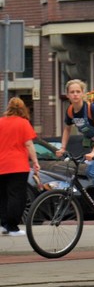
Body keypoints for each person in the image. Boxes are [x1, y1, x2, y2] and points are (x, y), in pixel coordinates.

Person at [56, 79, 94, 219]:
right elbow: (66, 130)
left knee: (92, 171)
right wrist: (62, 148)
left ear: (82, 93)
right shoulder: (71, 111)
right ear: (67, 95)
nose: (75, 94)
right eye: (72, 92)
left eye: (78, 91)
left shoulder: (91, 108)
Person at [0, 97, 40, 236]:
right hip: (17, 166)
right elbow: (29, 144)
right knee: (17, 196)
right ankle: (13, 227)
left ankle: (4, 225)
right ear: (23, 108)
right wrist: (35, 161)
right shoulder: (23, 123)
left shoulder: (1, 122)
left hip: (1, 165)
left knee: (3, 196)